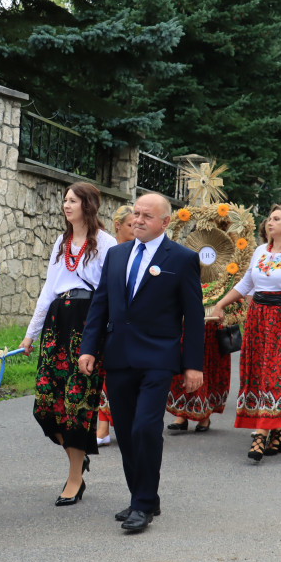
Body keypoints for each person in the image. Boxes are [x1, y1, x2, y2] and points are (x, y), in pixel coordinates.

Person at [78, 193, 204, 532]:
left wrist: (194, 365)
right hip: (118, 356)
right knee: (126, 431)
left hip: (158, 358)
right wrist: (88, 348)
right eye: (136, 213)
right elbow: (100, 305)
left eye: (147, 215)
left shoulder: (181, 258)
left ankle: (142, 505)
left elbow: (194, 317)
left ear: (165, 222)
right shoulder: (116, 255)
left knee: (145, 428)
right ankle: (144, 494)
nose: (138, 220)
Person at [20, 183, 116, 506]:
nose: (66, 205)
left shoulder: (105, 243)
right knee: (45, 405)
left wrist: (107, 335)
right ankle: (78, 456)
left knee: (75, 407)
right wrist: (31, 333)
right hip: (56, 324)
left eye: (72, 200)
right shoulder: (61, 243)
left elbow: (110, 294)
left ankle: (75, 476)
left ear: (87, 204)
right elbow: (49, 290)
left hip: (86, 327)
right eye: (65, 200)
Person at [210, 205, 281, 461]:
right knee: (261, 373)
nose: (269, 223)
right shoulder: (261, 251)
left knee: (278, 373)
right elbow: (246, 283)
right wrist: (220, 304)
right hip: (259, 318)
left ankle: (260, 434)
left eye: (276, 219)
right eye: (269, 219)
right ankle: (276, 430)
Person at [97, 205, 135, 446]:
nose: (136, 228)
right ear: (118, 225)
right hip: (109, 317)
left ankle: (120, 422)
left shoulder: (138, 250)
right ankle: (103, 425)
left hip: (130, 321)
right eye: (130, 224)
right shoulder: (110, 248)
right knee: (105, 372)